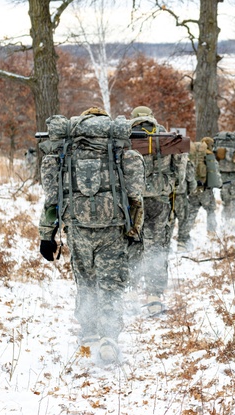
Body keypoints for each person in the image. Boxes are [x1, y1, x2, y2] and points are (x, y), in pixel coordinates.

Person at [37, 108, 144, 366]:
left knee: (85, 281)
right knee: (111, 284)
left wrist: (46, 235)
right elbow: (135, 195)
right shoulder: (120, 151)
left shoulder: (65, 152)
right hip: (113, 228)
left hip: (77, 227)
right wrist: (135, 230)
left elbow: (52, 198)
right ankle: (109, 339)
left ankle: (88, 333)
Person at [128, 106, 187, 316]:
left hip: (133, 202)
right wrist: (173, 186)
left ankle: (131, 292)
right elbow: (180, 169)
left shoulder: (125, 137)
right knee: (157, 247)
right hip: (161, 200)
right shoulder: (167, 137)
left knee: (133, 245)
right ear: (152, 118)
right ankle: (154, 296)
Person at [177, 136, 222, 251]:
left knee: (191, 214)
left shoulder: (192, 153)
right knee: (211, 211)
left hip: (193, 189)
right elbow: (215, 174)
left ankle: (182, 240)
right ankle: (212, 235)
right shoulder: (209, 156)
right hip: (205, 190)